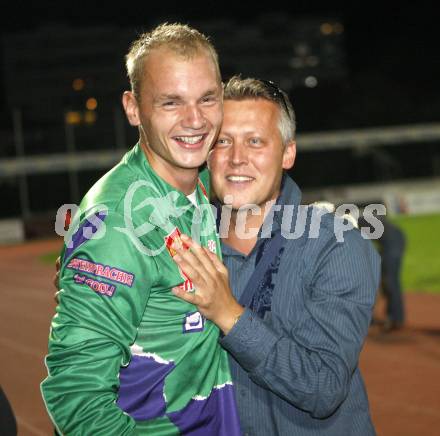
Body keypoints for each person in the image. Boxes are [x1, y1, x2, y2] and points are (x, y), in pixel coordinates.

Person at [41, 23, 242, 435]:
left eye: (208, 99)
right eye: (171, 103)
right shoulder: (117, 222)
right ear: (134, 109)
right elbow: (76, 396)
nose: (195, 120)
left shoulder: (194, 184)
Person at [171, 76, 381, 435]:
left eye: (255, 141)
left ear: (287, 153)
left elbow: (322, 388)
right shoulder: (183, 247)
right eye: (223, 141)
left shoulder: (336, 243)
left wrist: (230, 316)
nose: (237, 158)